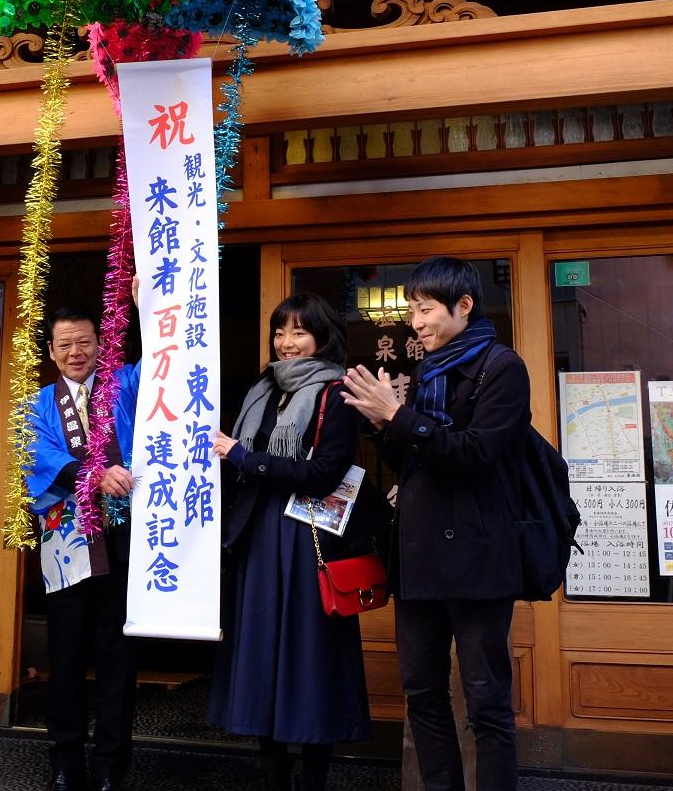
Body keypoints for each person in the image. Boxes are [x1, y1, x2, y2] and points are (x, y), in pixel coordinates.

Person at [342, 257, 530, 791]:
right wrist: (384, 424)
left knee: (486, 701)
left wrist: (399, 416)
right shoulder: (430, 372)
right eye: (411, 311)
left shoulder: (503, 367)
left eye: (424, 310)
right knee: (421, 694)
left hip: (477, 560)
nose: (415, 322)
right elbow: (414, 463)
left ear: (463, 306)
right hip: (419, 557)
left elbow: (476, 454)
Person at [209, 293, 373, 791]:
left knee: (310, 656)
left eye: (299, 332)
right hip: (260, 537)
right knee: (261, 652)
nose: (287, 342)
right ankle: (272, 773)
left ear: (322, 336)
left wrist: (242, 457)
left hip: (307, 541)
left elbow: (324, 474)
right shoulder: (262, 389)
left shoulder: (336, 392)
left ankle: (315, 777)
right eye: (280, 332)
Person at [26, 306, 139, 791]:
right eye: (65, 345)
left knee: (118, 658)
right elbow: (40, 456)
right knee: (66, 657)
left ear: (102, 343)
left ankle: (112, 763)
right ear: (51, 351)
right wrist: (94, 474)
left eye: (85, 342)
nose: (76, 353)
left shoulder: (125, 384)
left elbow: (167, 365)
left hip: (126, 542)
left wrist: (147, 305)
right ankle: (65, 757)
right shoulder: (37, 403)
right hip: (68, 546)